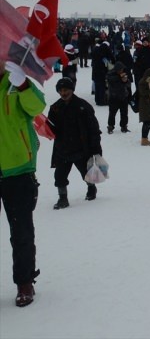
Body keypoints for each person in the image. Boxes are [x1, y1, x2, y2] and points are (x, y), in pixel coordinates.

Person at [0, 60, 45, 307]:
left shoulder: (15, 81)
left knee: (21, 233)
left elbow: (37, 106)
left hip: (18, 169)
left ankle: (24, 282)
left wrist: (24, 85)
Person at [47, 77, 103, 208]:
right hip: (62, 149)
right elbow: (52, 128)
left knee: (86, 172)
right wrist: (45, 128)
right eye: (60, 90)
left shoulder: (83, 106)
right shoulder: (55, 108)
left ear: (71, 90)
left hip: (81, 148)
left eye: (66, 90)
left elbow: (93, 129)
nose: (63, 93)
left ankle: (91, 188)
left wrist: (95, 148)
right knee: (59, 176)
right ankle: (62, 198)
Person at [105, 62, 131, 134]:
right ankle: (110, 126)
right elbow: (111, 81)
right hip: (114, 97)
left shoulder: (123, 74)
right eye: (121, 69)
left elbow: (128, 83)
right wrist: (120, 78)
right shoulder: (111, 74)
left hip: (123, 96)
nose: (122, 71)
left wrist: (125, 81)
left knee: (124, 113)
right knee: (112, 113)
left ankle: (124, 126)